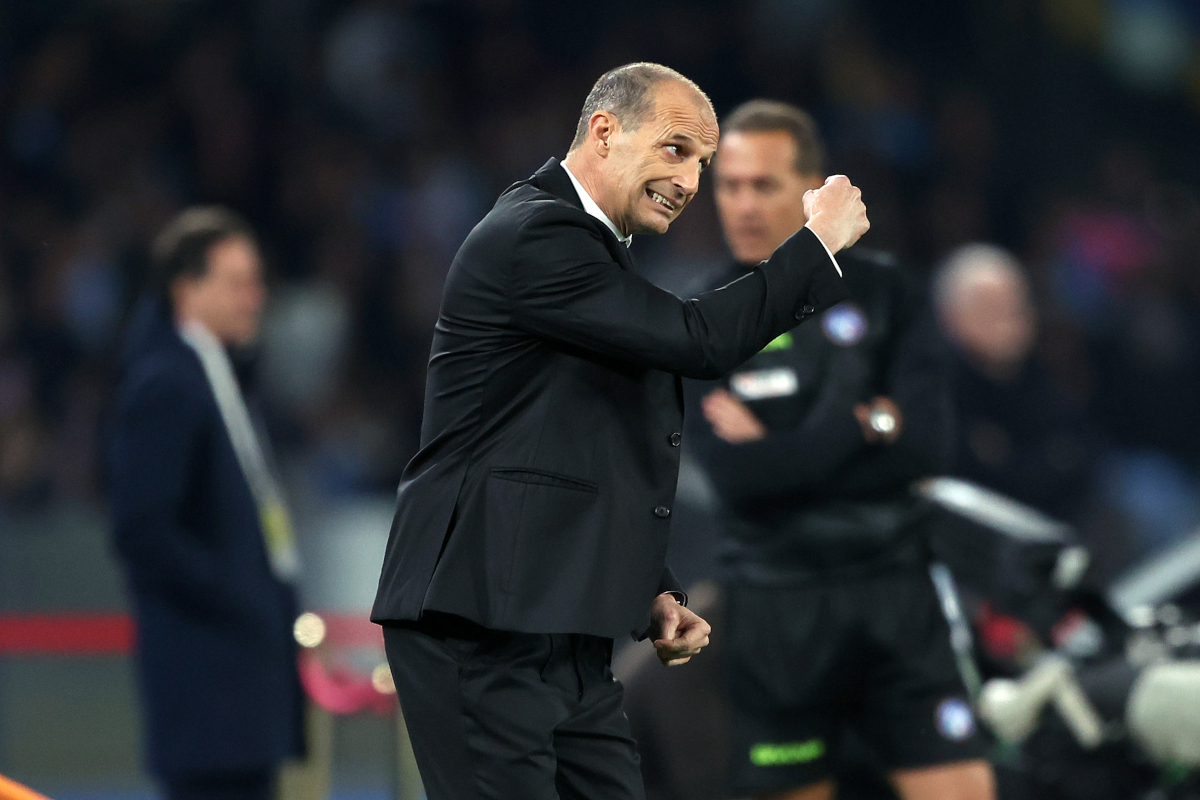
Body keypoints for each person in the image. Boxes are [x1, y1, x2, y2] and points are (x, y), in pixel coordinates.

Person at [370, 63, 869, 800]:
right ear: (604, 131)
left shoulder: (590, 258)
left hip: (558, 627)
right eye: (676, 149)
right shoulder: (534, 233)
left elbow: (572, 447)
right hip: (479, 619)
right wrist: (815, 244)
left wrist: (649, 586)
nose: (692, 180)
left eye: (703, 162)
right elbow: (696, 340)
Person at [686, 100, 995, 800]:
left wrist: (783, 445)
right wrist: (864, 425)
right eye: (729, 185)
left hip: (895, 596)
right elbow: (739, 477)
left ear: (810, 188)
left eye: (762, 185)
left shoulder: (888, 294)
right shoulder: (706, 318)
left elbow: (928, 449)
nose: (741, 204)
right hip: (776, 610)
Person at [109, 207, 304, 800]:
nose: (256, 297)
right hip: (208, 691)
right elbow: (143, 530)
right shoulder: (167, 381)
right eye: (239, 283)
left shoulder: (218, 376)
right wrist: (238, 594)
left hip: (236, 691)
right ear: (186, 289)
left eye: (258, 282)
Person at [933, 244, 1093, 523]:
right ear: (951, 318)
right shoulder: (939, 396)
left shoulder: (1052, 372)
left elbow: (1080, 456)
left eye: (1017, 304)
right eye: (989, 308)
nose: (1009, 319)